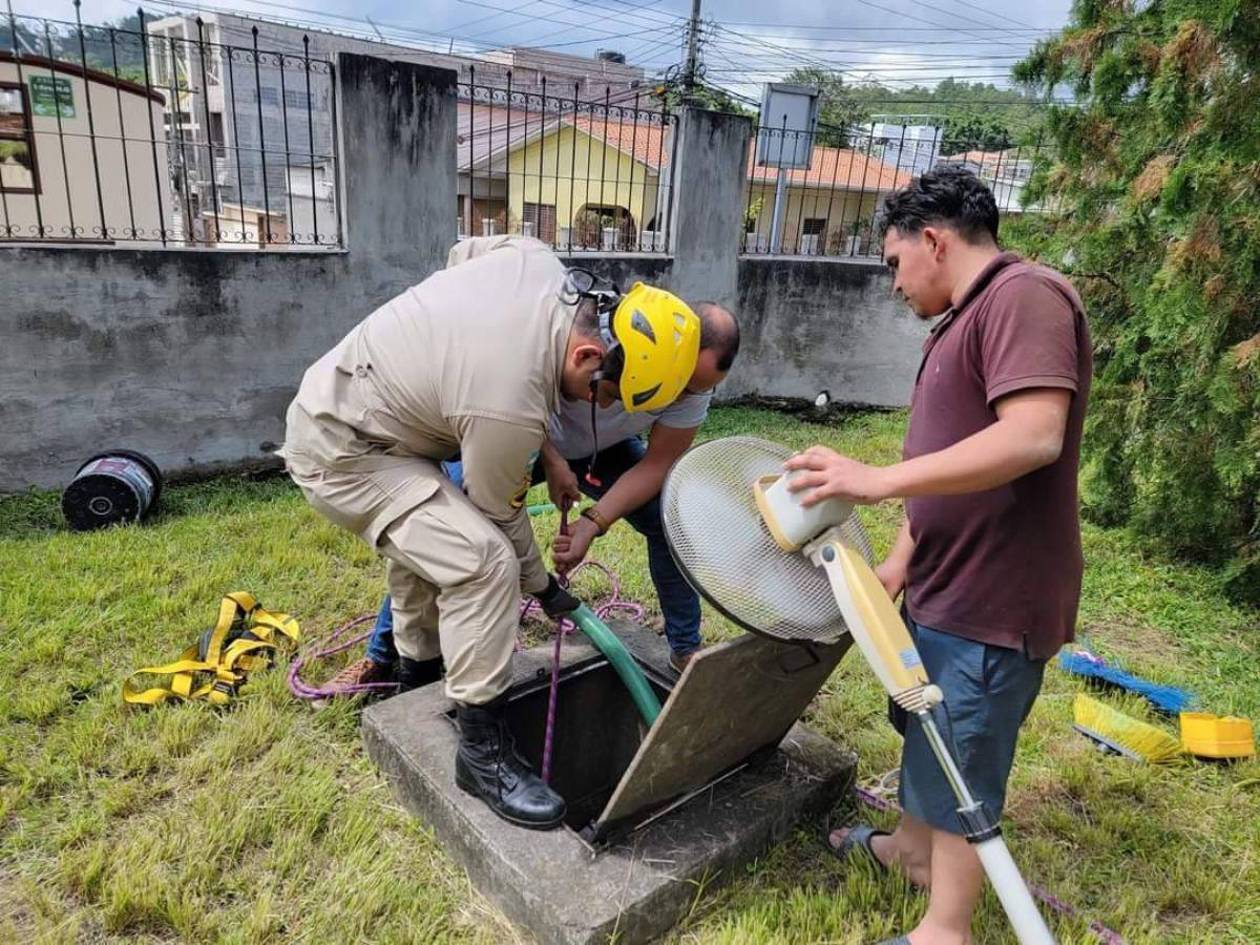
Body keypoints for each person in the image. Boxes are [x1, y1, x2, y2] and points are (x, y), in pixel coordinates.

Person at [280, 235, 702, 830]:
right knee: (482, 563)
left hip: (369, 410)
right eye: (599, 395)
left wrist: (439, 355)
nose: (593, 406)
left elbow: (460, 253)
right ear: (588, 353)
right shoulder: (510, 401)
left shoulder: (532, 262)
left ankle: (417, 680)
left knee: (431, 542)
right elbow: (498, 514)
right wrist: (546, 589)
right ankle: (481, 753)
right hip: (343, 450)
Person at [785, 166, 1091, 945]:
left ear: (933, 239)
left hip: (996, 597)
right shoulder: (964, 316)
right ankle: (911, 849)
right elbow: (955, 460)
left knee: (966, 751)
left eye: (893, 263)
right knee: (931, 725)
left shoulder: (1025, 297)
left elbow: (1030, 437)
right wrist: (900, 562)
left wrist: (878, 479)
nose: (893, 284)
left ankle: (945, 927)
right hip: (945, 582)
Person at [333, 302, 740, 692]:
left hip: (606, 448)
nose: (683, 396)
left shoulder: (694, 388)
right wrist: (553, 457)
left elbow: (656, 465)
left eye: (697, 390)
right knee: (444, 514)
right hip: (519, 432)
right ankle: (381, 655)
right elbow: (510, 393)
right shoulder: (591, 334)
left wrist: (592, 523)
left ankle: (685, 649)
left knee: (670, 520)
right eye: (684, 383)